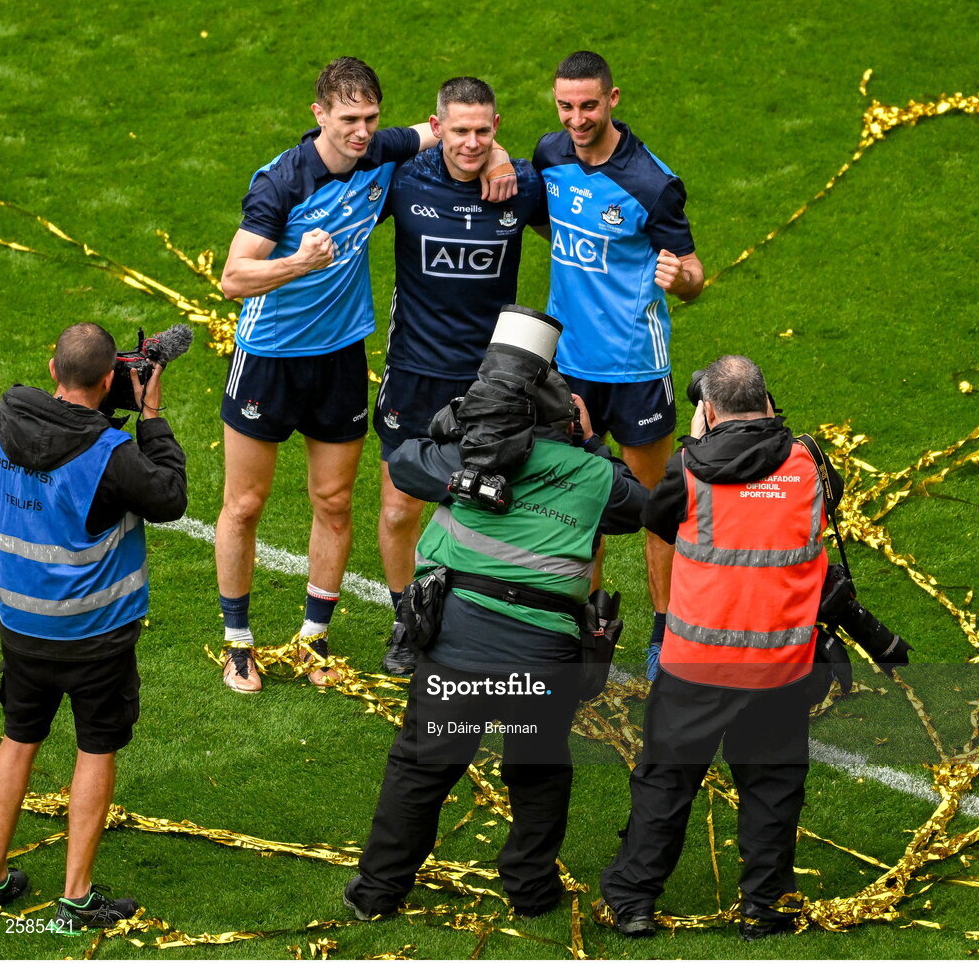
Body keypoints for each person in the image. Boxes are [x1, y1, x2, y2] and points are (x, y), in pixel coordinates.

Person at [216, 57, 517, 693]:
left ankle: (312, 637)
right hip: (268, 357)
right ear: (317, 114)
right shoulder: (281, 183)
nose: (361, 132)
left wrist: (499, 160)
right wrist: (298, 263)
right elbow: (233, 277)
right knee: (244, 505)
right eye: (347, 119)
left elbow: (460, 129)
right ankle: (237, 640)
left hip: (342, 359)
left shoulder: (383, 152)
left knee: (333, 501)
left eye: (370, 118)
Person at [344, 331, 648, 919]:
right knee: (537, 772)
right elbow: (637, 506)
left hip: (460, 641)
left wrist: (459, 426)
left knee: (422, 770)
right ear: (567, 418)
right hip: (544, 653)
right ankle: (532, 893)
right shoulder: (592, 474)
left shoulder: (469, 458)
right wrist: (593, 445)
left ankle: (377, 893)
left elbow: (405, 463)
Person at [599, 355, 843, 941]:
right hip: (781, 666)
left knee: (665, 782)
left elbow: (655, 520)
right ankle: (768, 907)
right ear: (767, 400)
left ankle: (634, 900)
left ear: (706, 411)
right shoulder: (812, 464)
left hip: (696, 668)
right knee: (773, 789)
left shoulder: (687, 470)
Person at [0, 323, 187, 933]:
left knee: (18, 739)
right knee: (95, 750)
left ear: (50, 368)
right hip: (97, 638)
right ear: (108, 380)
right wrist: (150, 410)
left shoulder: (2, 426)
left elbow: (62, 431)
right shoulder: (109, 455)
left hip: (21, 628)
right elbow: (169, 494)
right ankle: (75, 899)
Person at [532, 50, 704, 670]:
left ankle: (665, 632)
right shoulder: (549, 155)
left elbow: (693, 274)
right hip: (569, 364)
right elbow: (552, 224)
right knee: (578, 498)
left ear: (613, 100)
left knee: (655, 503)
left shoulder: (652, 183)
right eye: (566, 106)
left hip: (635, 367)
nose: (577, 119)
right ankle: (588, 623)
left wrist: (679, 278)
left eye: (588, 105)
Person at [375, 76, 547, 676]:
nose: (471, 143)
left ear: (496, 127)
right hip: (413, 374)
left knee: (489, 507)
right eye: (460, 131)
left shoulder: (522, 187)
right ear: (437, 126)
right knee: (399, 509)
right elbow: (333, 147)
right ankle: (406, 617)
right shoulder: (403, 179)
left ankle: (483, 626)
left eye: (483, 132)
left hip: (491, 384)